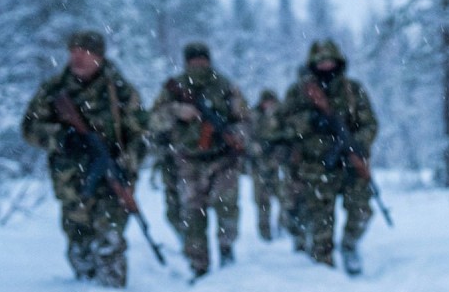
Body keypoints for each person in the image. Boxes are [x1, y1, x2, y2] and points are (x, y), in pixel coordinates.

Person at [21, 30, 147, 288]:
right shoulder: (54, 89)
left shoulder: (120, 91)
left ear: (99, 56)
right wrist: (61, 137)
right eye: (73, 52)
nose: (77, 58)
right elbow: (29, 128)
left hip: (112, 178)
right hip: (71, 180)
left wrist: (127, 162)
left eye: (85, 53)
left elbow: (141, 135)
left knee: (110, 239)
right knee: (78, 240)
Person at [275, 39, 378, 275]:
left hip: (349, 163)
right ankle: (322, 264)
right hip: (315, 166)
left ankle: (349, 246)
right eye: (320, 62)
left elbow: (370, 124)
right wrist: (310, 122)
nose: (325, 66)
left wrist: (355, 145)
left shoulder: (352, 90)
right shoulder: (299, 92)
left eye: (329, 61)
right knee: (320, 218)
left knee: (361, 209)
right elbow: (281, 126)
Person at [149, 42, 251, 279]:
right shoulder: (174, 89)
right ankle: (199, 266)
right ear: (186, 62)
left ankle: (226, 252)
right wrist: (176, 111)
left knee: (227, 208)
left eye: (202, 61)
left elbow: (245, 119)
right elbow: (153, 121)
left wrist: (235, 135)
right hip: (188, 161)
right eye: (193, 61)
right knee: (193, 214)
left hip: (222, 159)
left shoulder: (226, 87)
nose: (198, 65)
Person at [249, 88, 286, 242]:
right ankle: (265, 233)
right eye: (266, 102)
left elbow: (287, 138)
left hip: (278, 166)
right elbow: (246, 137)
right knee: (262, 202)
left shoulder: (282, 117)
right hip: (258, 165)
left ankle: (283, 228)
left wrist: (277, 156)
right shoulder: (254, 116)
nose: (269, 105)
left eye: (271, 102)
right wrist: (255, 148)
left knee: (285, 199)